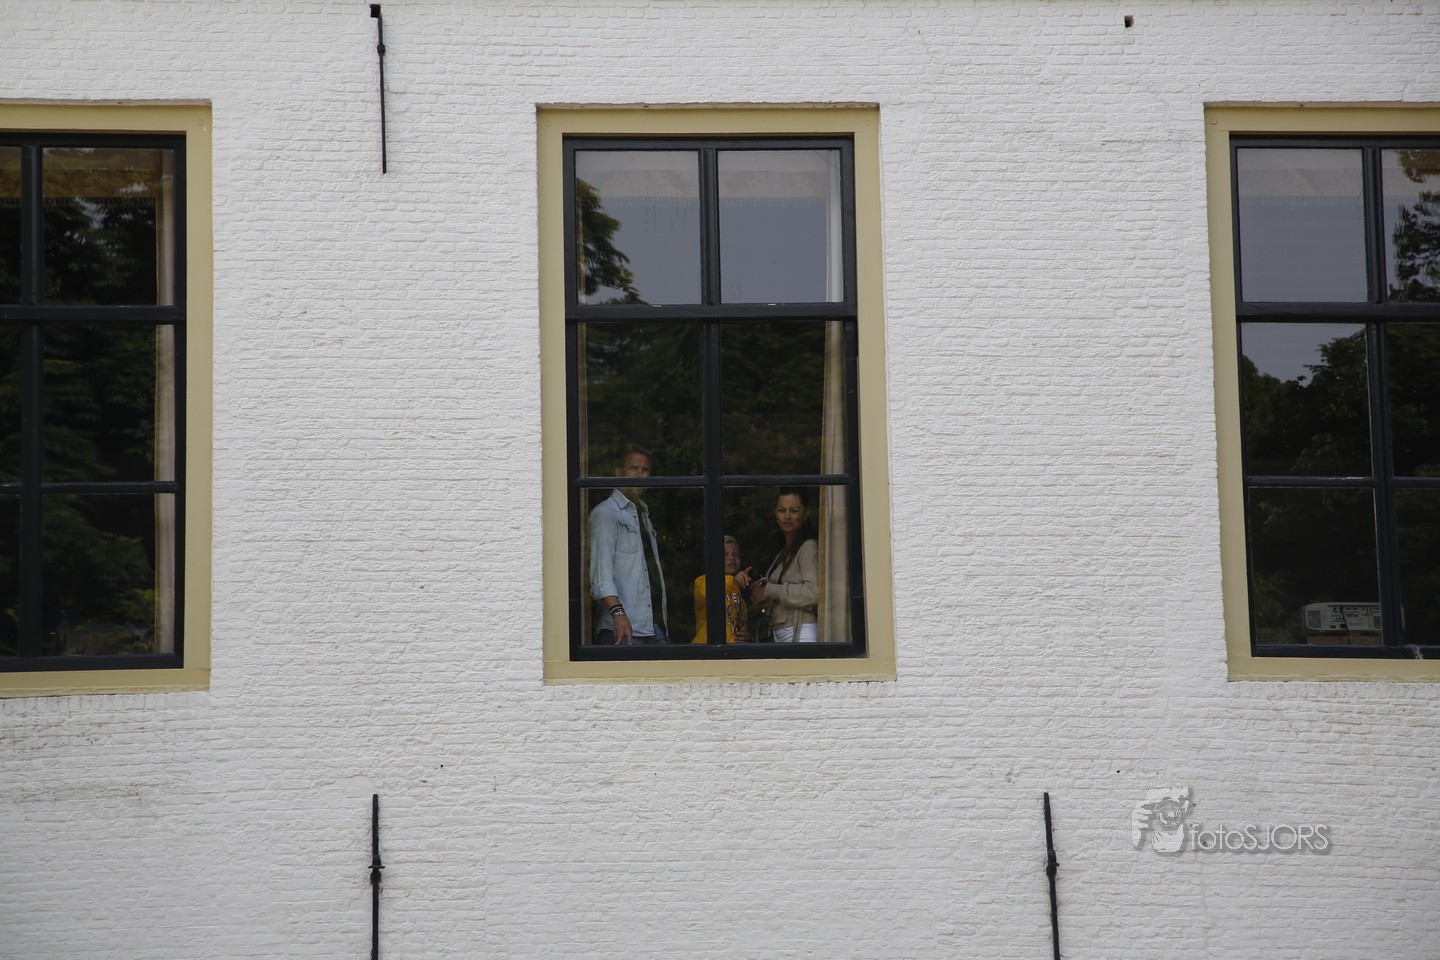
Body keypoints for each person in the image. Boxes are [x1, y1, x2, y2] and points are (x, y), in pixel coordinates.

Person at [588, 444, 668, 644]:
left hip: (652, 629)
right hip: (621, 629)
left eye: (645, 469)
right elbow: (601, 576)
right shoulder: (605, 513)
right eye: (634, 468)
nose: (640, 474)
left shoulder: (643, 514)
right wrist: (618, 613)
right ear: (618, 472)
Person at [735, 489, 819, 643]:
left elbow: (813, 592)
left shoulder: (808, 547)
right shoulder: (783, 551)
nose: (787, 516)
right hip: (781, 632)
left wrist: (769, 590)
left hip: (801, 631)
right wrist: (759, 590)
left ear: (805, 514)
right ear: (775, 514)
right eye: (781, 510)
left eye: (794, 511)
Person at [692, 536, 751, 644]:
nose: (731, 558)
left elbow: (739, 628)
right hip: (708, 650)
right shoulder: (702, 581)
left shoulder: (739, 597)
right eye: (724, 554)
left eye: (735, 554)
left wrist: (747, 638)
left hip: (731, 652)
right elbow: (709, 591)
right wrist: (734, 581)